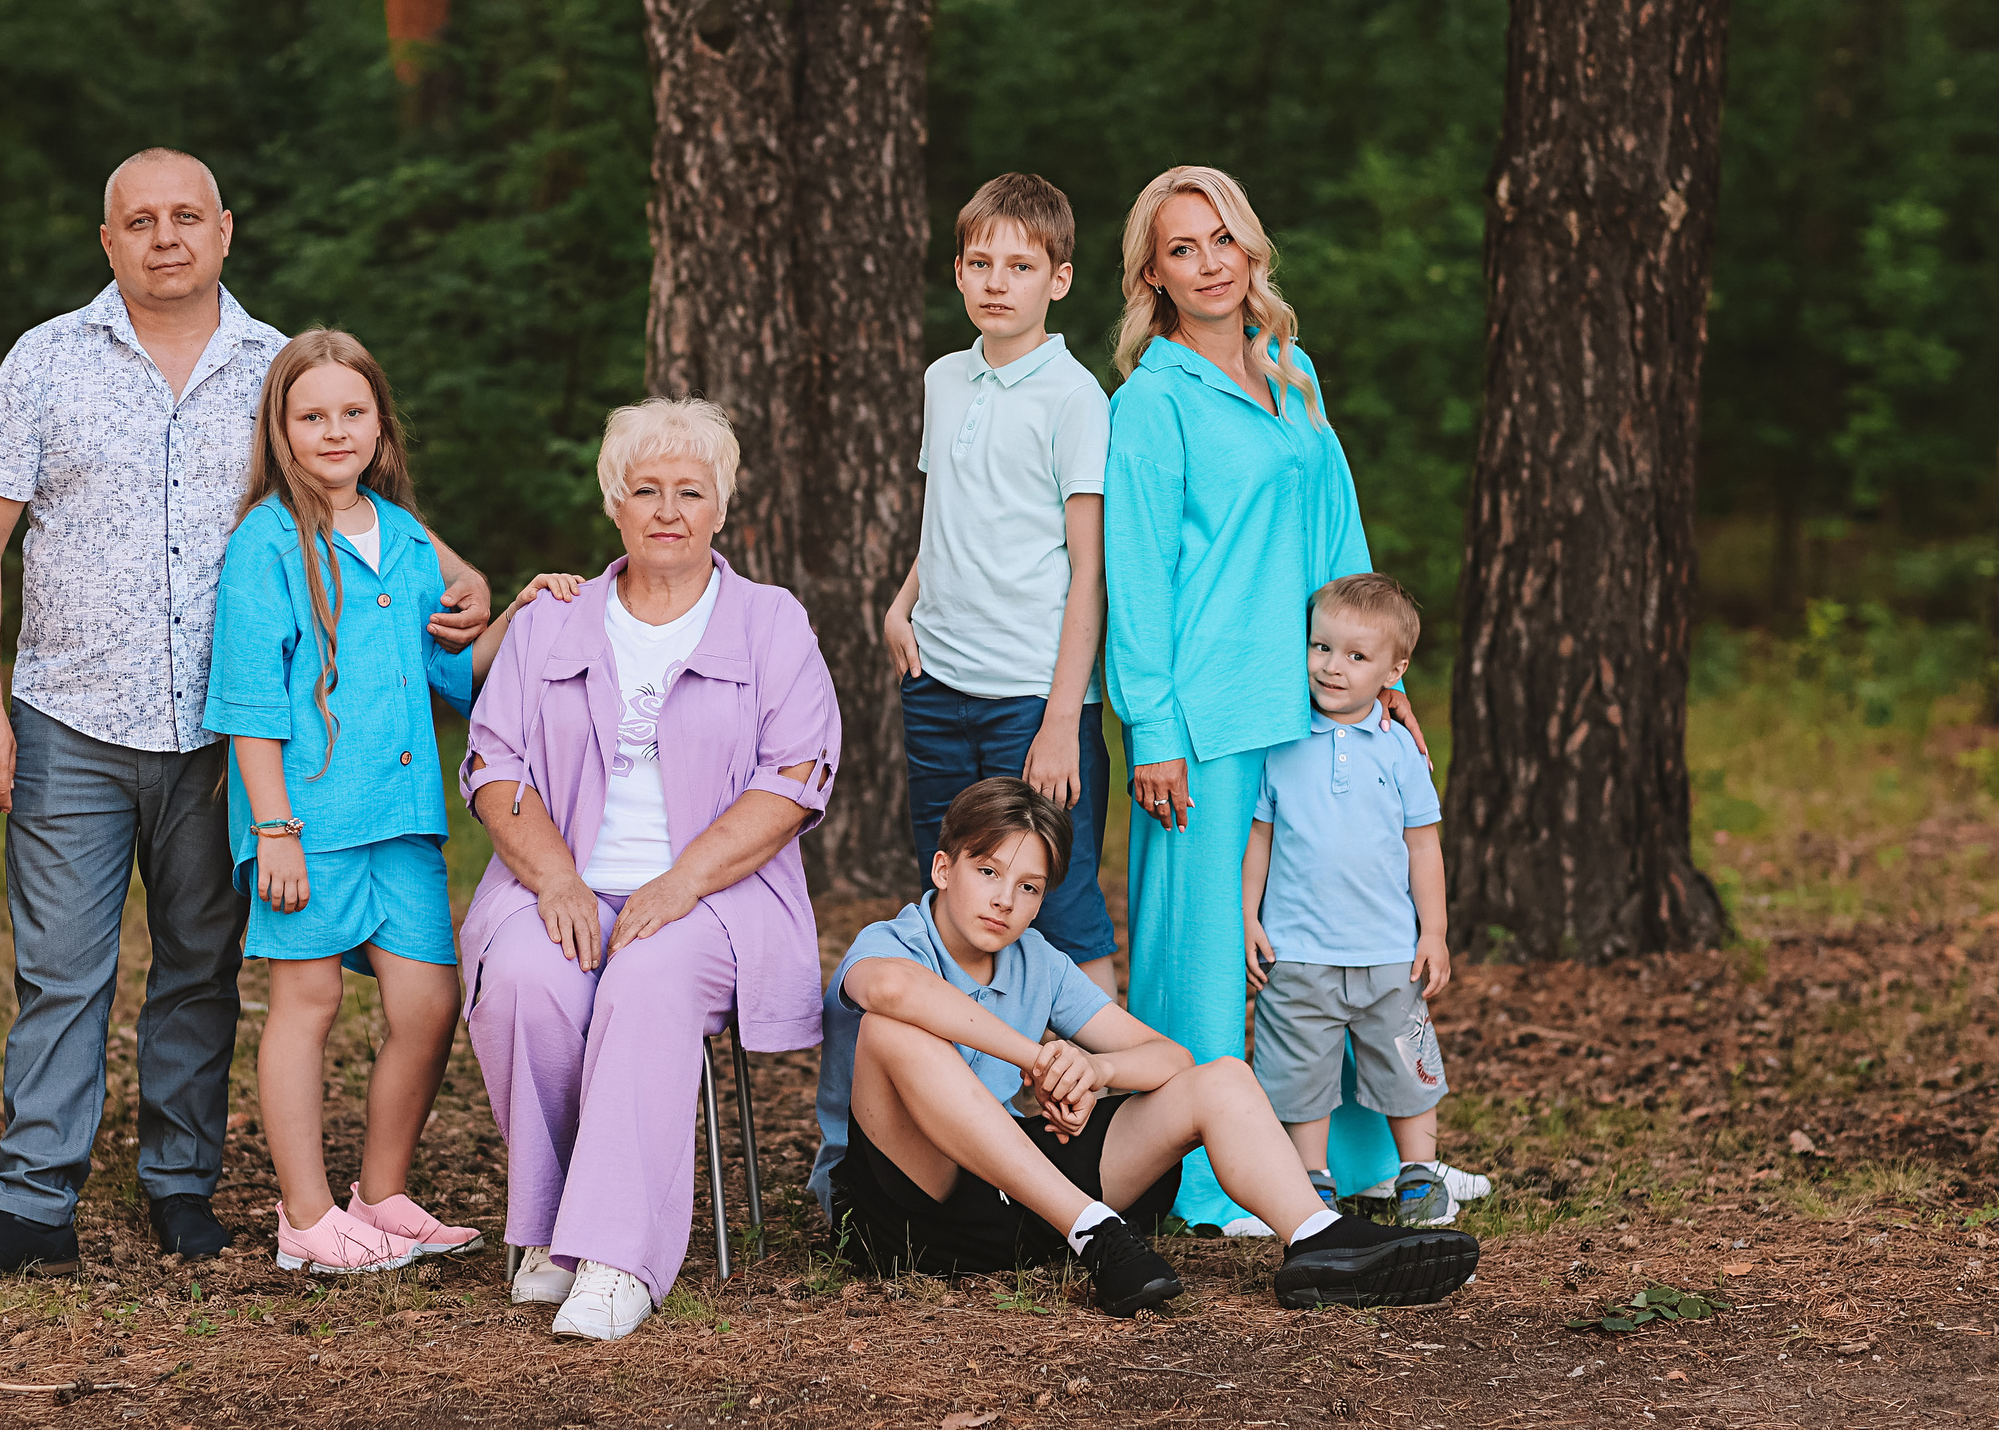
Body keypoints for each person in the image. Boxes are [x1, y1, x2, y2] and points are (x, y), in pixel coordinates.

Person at [0, 149, 493, 1286]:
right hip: (71, 718)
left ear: (224, 231)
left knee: (200, 964)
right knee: (63, 971)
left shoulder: (275, 368)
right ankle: (32, 1204)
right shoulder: (45, 360)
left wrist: (463, 578)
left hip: (233, 740)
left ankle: (181, 1186)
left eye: (187, 216)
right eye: (140, 220)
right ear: (109, 243)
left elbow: (360, 496)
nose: (165, 235)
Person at [458, 398, 840, 1341]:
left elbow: (794, 780)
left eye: (690, 491)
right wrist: (555, 879)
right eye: (646, 490)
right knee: (522, 979)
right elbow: (494, 763)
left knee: (648, 975)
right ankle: (552, 1232)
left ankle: (619, 1257)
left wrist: (679, 883)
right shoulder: (554, 620)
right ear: (614, 505)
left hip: (714, 893)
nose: (667, 509)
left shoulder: (770, 622)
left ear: (721, 507)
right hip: (564, 875)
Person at [808, 778, 1478, 1314]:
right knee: (893, 1027)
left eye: (1029, 887)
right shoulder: (894, 941)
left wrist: (1093, 1067)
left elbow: (1169, 1060)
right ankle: (1095, 1231)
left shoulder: (1037, 961)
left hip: (1016, 1201)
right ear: (944, 867)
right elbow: (889, 991)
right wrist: (1034, 1057)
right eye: (988, 872)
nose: (1004, 900)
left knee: (1216, 1077)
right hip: (903, 1206)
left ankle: (1315, 1238)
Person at [1103, 165, 1426, 1233]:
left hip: (1314, 708)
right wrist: (1147, 724)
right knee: (1197, 957)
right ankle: (1199, 1179)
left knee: (1322, 947)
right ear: (1153, 273)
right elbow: (1135, 574)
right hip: (1200, 719)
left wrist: (1381, 674)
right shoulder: (1151, 398)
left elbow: (1340, 539)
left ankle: (1357, 1166)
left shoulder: (1294, 374)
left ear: (1252, 251)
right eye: (1181, 248)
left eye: (1222, 239)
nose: (1208, 263)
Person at [207, 330, 568, 1274]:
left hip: (403, 821)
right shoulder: (266, 543)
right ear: (280, 428)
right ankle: (307, 1215)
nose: (334, 430)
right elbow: (249, 703)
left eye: (352, 413)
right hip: (307, 821)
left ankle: (382, 1191)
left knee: (427, 1000)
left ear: (379, 424)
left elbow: (451, 673)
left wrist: (524, 613)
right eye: (312, 414)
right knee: (309, 998)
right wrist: (273, 828)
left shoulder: (406, 539)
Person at [882, 173, 1118, 996]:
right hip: (938, 682)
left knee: (1054, 896)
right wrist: (902, 602)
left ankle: (1097, 1098)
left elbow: (1088, 565)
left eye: (1020, 266)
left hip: (1032, 697)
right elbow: (948, 510)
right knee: (957, 888)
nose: (996, 280)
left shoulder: (1077, 397)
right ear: (956, 272)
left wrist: (1061, 721)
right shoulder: (943, 378)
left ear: (1059, 279)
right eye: (980, 262)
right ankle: (970, 1086)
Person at [1244, 573, 1490, 1228]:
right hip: (1298, 949)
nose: (1332, 666)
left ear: (1394, 668)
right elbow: (1260, 839)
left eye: (1356, 656)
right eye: (1321, 647)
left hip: (1388, 950)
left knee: (1408, 1063)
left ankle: (1418, 1174)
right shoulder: (1281, 741)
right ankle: (1312, 1181)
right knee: (1300, 1071)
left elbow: (1422, 846)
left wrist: (1432, 931)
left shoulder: (1402, 749)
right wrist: (1248, 914)